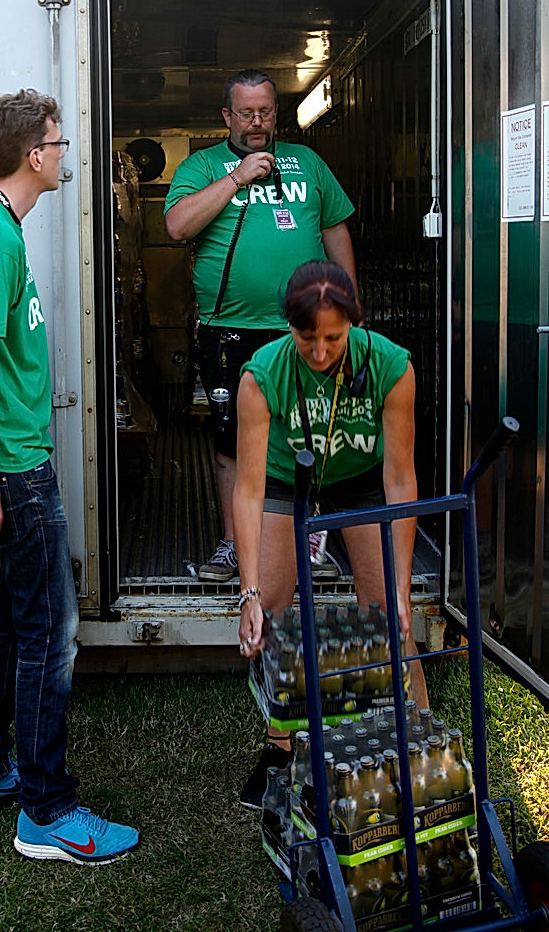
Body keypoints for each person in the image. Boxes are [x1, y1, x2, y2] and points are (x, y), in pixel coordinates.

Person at [0, 89, 139, 864]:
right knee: (47, 636)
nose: (64, 151)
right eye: (58, 140)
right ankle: (45, 813)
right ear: (33, 156)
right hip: (8, 468)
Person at [232, 260, 428, 808]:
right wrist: (248, 593)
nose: (319, 353)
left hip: (360, 477)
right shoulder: (260, 376)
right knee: (269, 607)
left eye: (333, 339)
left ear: (354, 325)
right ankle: (278, 747)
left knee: (387, 611)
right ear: (288, 327)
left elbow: (400, 477)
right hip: (284, 477)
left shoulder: (392, 367)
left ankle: (414, 743)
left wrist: (402, 585)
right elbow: (247, 490)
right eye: (306, 338)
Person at [165, 69, 356, 582]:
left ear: (277, 112)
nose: (257, 122)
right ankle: (235, 544)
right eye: (246, 113)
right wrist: (236, 178)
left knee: (310, 434)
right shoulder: (202, 165)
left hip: (305, 330)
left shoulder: (307, 162)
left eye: (266, 112)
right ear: (226, 115)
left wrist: (349, 306)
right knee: (233, 439)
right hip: (230, 331)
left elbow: (334, 228)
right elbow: (177, 224)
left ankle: (308, 544)